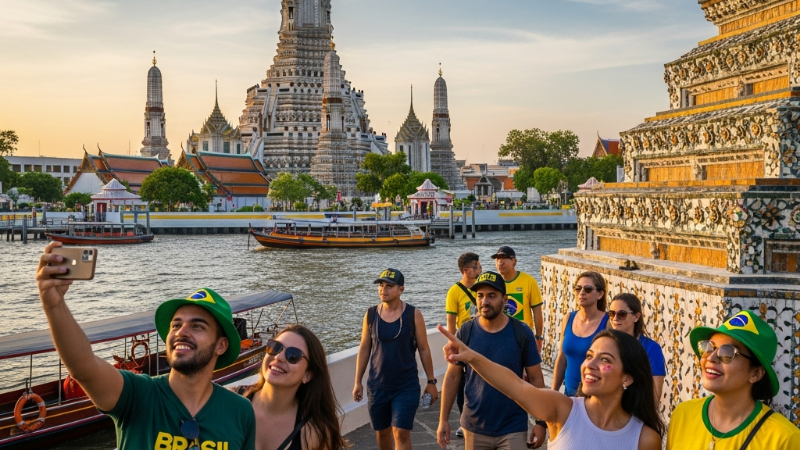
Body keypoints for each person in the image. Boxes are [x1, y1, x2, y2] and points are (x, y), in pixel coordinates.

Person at [35, 242, 255, 449]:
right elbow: (83, 367)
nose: (181, 332)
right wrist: (54, 305)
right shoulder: (137, 394)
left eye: (197, 326)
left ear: (221, 345)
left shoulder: (240, 411)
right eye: (176, 325)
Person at [439, 325, 664, 450]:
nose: (589, 365)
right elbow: (515, 385)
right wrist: (472, 357)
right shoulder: (563, 410)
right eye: (589, 356)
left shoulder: (644, 438)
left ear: (627, 378)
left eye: (605, 360)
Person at [437, 271, 546, 450]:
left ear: (505, 299)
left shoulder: (521, 332)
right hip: (474, 426)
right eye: (480, 296)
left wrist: (541, 421)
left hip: (513, 425)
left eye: (492, 296)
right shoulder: (466, 331)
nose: (484, 301)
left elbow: (535, 377)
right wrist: (443, 420)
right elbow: (453, 376)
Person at [666, 310, 800, 449]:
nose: (710, 358)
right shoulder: (682, 415)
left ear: (756, 374)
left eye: (728, 352)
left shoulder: (784, 439)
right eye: (708, 347)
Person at [353, 268, 439, 450]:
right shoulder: (371, 315)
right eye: (381, 285)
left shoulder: (413, 314)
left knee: (401, 432)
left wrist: (431, 381)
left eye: (389, 286)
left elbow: (424, 348)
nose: (383, 290)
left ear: (401, 289)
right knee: (382, 433)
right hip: (377, 386)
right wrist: (357, 381)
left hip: (406, 386)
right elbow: (364, 348)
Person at [240, 324, 347, 450]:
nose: (278, 357)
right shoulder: (229, 402)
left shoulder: (314, 434)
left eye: (293, 355)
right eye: (275, 347)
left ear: (307, 374)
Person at [552, 271, 609, 396]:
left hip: (595, 396)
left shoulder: (608, 323)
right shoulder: (568, 318)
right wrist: (553, 392)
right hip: (569, 394)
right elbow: (562, 358)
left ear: (600, 294)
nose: (582, 292)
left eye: (588, 289)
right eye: (578, 288)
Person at [445, 252, 482, 438]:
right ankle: (463, 421)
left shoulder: (482, 288)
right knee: (461, 383)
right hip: (464, 341)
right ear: (466, 270)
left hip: (482, 339)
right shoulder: (455, 291)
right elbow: (451, 321)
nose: (480, 269)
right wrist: (453, 344)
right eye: (477, 267)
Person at [608, 293, 666, 401]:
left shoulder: (651, 348)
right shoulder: (605, 345)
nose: (615, 318)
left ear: (636, 317)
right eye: (611, 313)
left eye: (622, 314)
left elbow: (655, 395)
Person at [491, 246, 544, 352]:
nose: (500, 262)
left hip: (523, 337)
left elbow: (537, 312)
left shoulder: (529, 281)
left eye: (504, 258)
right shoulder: (493, 284)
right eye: (497, 259)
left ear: (514, 261)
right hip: (499, 337)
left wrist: (538, 337)